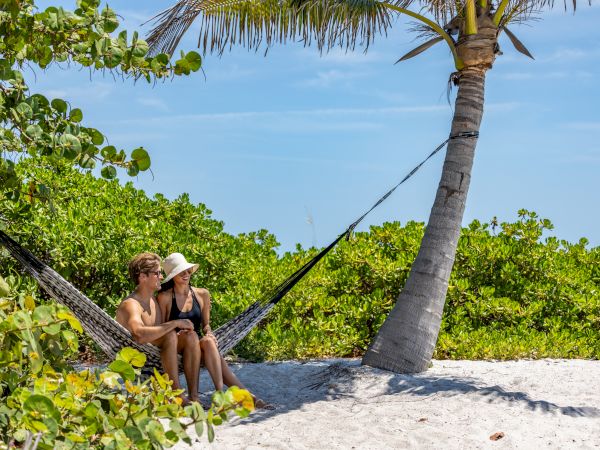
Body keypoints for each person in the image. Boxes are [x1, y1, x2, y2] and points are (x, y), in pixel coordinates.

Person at [157, 252, 268, 407]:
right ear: (173, 275)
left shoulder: (202, 294)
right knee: (192, 336)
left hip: (196, 347)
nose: (186, 274)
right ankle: (241, 396)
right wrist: (177, 326)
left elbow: (205, 325)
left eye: (188, 270)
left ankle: (220, 393)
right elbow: (162, 329)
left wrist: (208, 331)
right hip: (176, 345)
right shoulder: (165, 297)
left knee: (208, 341)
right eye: (181, 272)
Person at [115, 252, 201, 403]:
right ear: (143, 277)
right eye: (157, 273)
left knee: (191, 336)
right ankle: (177, 396)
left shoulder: (153, 300)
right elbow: (139, 334)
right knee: (169, 334)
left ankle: (194, 397)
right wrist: (175, 324)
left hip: (159, 353)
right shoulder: (131, 304)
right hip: (141, 358)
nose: (161, 277)